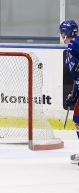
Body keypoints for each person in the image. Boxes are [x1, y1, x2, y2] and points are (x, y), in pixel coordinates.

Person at [59, 20, 79, 164]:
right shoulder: (74, 45)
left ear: (65, 34)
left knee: (78, 120)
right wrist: (74, 94)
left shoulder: (74, 45)